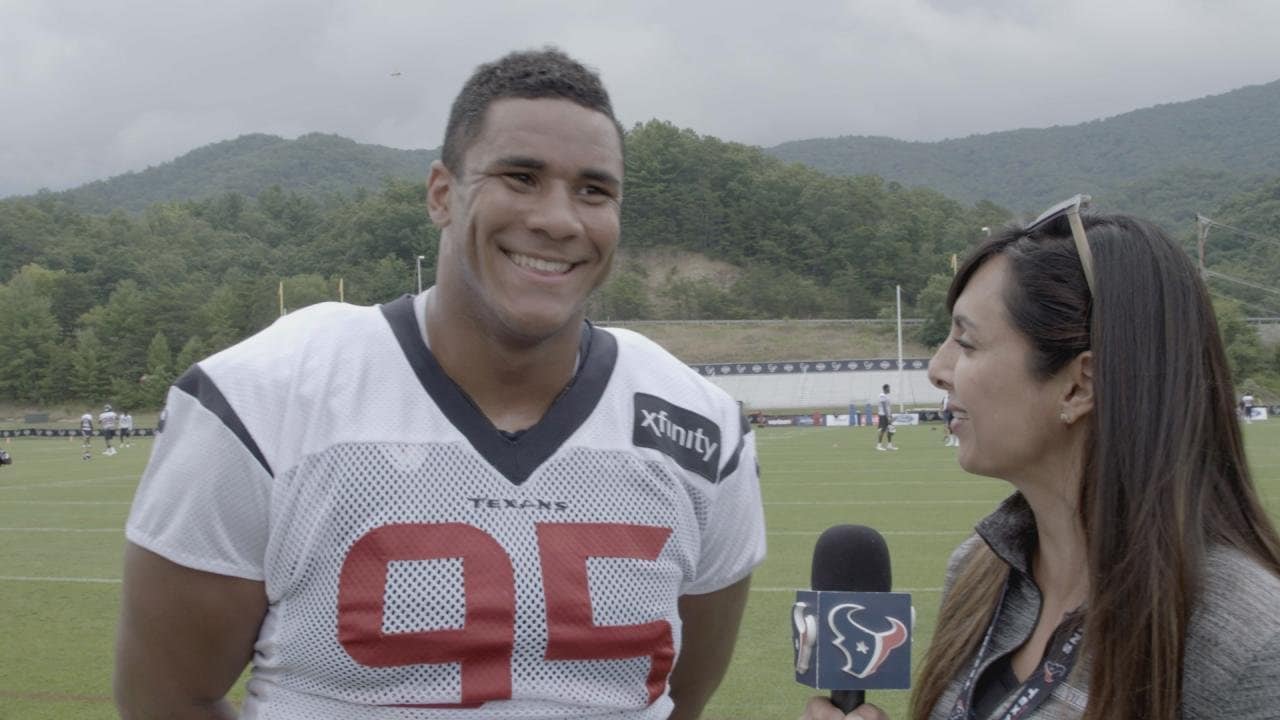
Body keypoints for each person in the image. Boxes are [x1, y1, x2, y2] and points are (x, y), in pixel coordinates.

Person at [115, 48, 765, 720]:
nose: (560, 219)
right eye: (520, 177)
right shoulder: (263, 396)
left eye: (593, 191)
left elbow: (678, 699)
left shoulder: (700, 428)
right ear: (441, 194)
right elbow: (168, 700)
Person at [803, 199, 1280, 720]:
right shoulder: (978, 573)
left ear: (1079, 385)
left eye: (966, 342)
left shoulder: (1252, 645)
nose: (939, 370)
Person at [875, 384, 896, 451]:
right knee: (883, 430)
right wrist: (888, 417)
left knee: (890, 430)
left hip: (887, 415)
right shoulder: (882, 396)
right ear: (885, 389)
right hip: (883, 415)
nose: (889, 389)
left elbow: (888, 407)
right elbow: (884, 407)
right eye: (888, 388)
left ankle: (889, 445)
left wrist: (890, 415)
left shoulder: (886, 396)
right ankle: (879, 445)